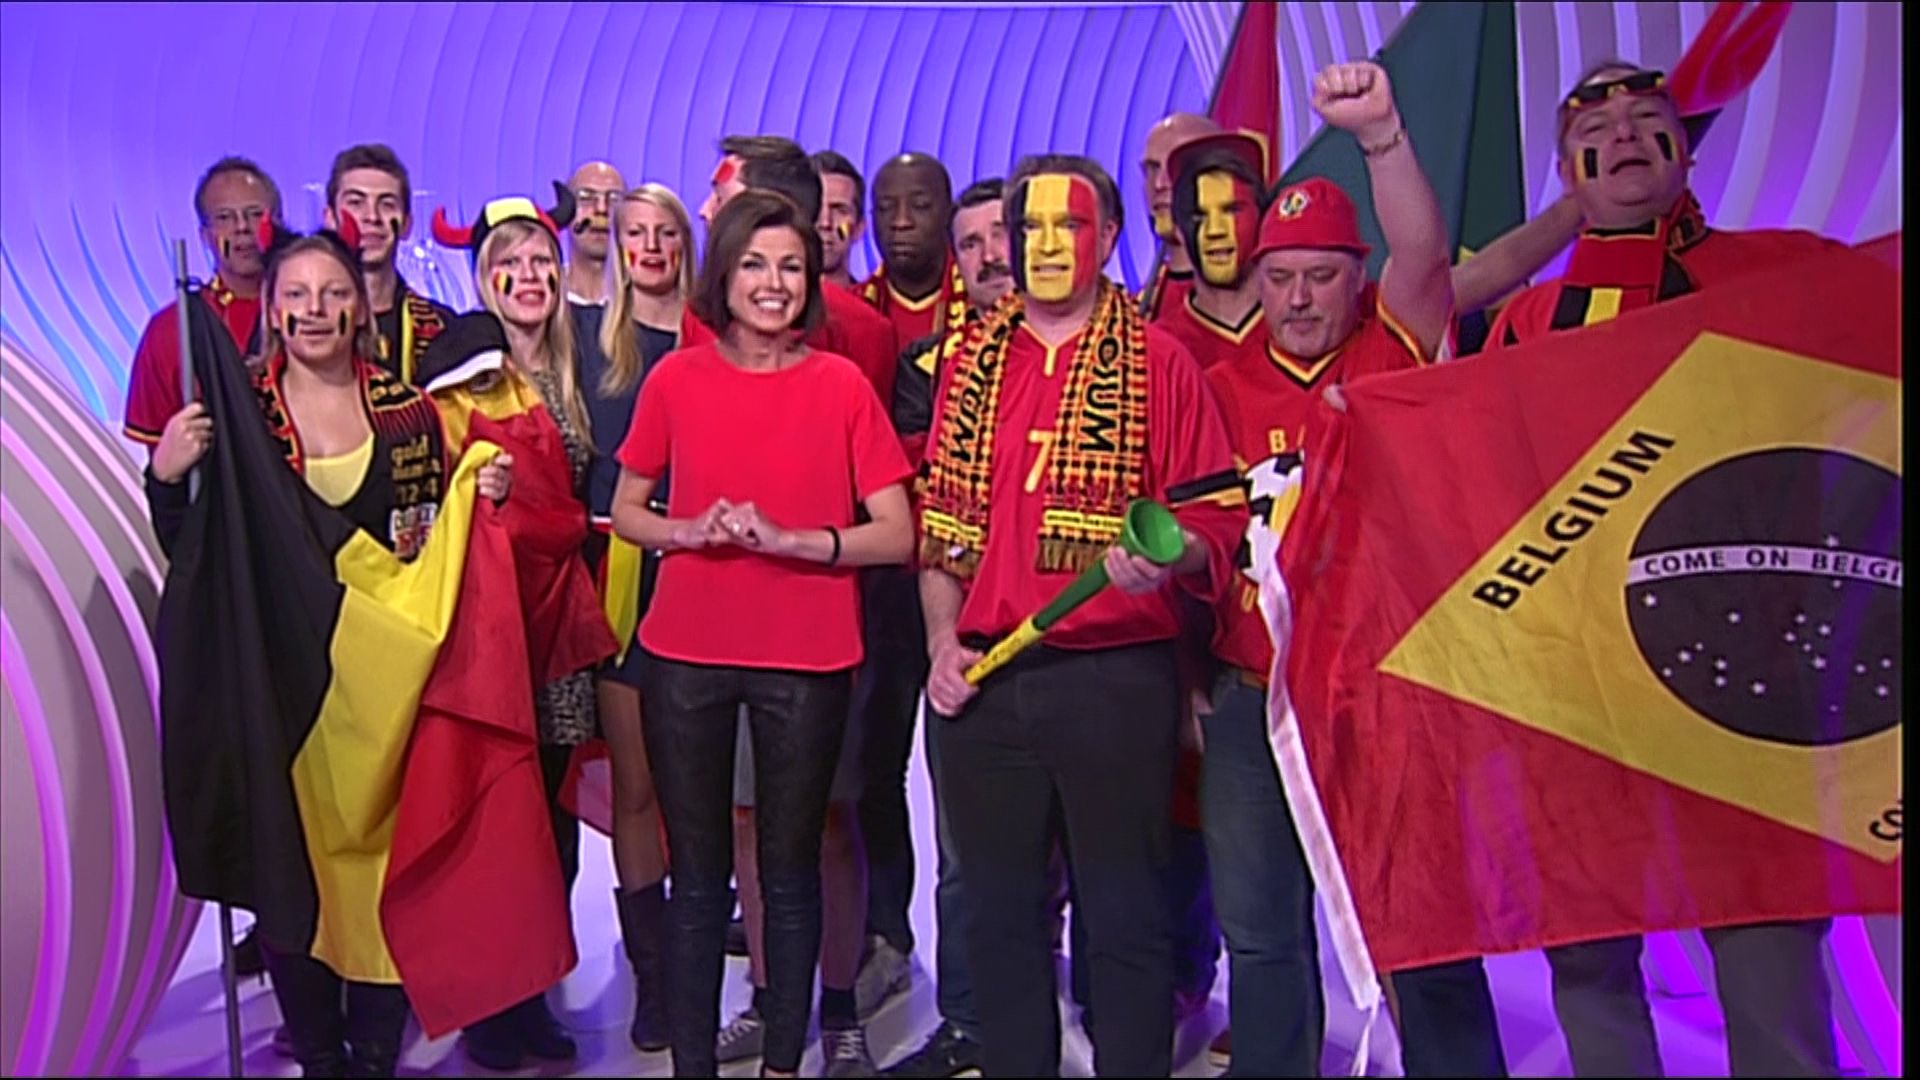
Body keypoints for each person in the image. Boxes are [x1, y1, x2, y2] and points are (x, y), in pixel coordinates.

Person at [1486, 59, 1845, 1080]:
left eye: (1650, 119)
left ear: (1685, 150)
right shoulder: (1527, 322)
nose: (1627, 137)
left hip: (1752, 668)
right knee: (1589, 949)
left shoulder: (1791, 270)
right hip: (1580, 679)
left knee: (1769, 943)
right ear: (1570, 175)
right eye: (1598, 131)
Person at [144, 221, 515, 1078]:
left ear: (360, 307)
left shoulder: (409, 411)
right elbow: (195, 551)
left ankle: (375, 1054)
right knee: (295, 872)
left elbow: (435, 546)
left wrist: (482, 489)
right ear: (272, 310)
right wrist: (165, 475)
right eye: (297, 295)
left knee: (384, 876)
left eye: (333, 292)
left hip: (387, 691)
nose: (315, 309)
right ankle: (318, 1053)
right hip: (285, 688)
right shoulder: (236, 417)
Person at [917, 153, 1244, 1077]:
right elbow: (942, 537)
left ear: (1109, 239)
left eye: (1072, 225)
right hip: (983, 679)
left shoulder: (1161, 361)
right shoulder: (969, 364)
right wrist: (941, 642)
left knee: (1125, 916)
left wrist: (1169, 556)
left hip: (1114, 681)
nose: (1050, 245)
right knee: (998, 916)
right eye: (1033, 227)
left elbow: (1216, 522)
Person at [1189, 59, 1460, 1076]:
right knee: (1260, 934)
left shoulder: (1393, 348)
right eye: (1280, 277)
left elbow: (1426, 256)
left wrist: (1381, 135)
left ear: (1359, 277)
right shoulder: (1217, 387)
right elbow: (1201, 539)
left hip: (1386, 695)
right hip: (1252, 696)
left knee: (1423, 926)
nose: (1298, 298)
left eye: (1321, 275)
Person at [610, 190, 914, 1079]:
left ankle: (785, 1062)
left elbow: (896, 533)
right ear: (725, 276)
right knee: (701, 878)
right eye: (754, 264)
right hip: (687, 653)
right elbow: (627, 511)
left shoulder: (841, 386)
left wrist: (796, 542)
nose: (774, 283)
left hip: (808, 656)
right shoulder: (676, 379)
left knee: (790, 870)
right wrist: (689, 530)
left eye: (791, 266)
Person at [699, 135, 902, 1074]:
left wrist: (806, 544)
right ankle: (770, 996)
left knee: (826, 818)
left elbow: (883, 502)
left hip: (828, 619)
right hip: (725, 623)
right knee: (747, 817)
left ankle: (841, 1002)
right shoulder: (697, 342)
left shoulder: (857, 338)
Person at [431, 186, 595, 1072]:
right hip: (492, 630)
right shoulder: (464, 370)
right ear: (482, 279)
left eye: (540, 261)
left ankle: (535, 991)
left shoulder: (583, 366)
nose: (528, 276)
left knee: (553, 825)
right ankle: (492, 1006)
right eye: (509, 265)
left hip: (561, 632)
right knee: (497, 817)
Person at [877, 177, 1010, 1080]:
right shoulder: (927, 368)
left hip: (1083, 645)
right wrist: (941, 639)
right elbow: (928, 509)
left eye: (1005, 235)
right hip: (962, 630)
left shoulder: (1117, 360)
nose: (991, 256)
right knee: (964, 855)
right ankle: (967, 1020)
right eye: (973, 244)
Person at [572, 180, 707, 1053]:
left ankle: (695, 963)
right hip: (621, 577)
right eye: (636, 234)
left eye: (666, 234)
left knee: (702, 792)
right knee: (637, 787)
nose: (651, 248)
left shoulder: (716, 338)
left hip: (703, 575)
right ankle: (653, 978)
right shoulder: (588, 342)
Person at [124, 155, 280, 450]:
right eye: (224, 218)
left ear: (278, 224)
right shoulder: (172, 328)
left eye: (255, 214)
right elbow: (162, 455)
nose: (242, 227)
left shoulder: (311, 315)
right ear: (205, 236)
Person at [321, 143, 454, 385]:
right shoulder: (305, 326)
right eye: (356, 203)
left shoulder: (444, 328)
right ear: (329, 218)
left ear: (406, 224)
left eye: (387, 204)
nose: (372, 217)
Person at [862, 153, 966, 345]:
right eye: (885, 208)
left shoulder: (985, 307)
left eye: (920, 206)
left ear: (950, 215)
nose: (901, 222)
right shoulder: (848, 312)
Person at [1135, 112, 1218, 320]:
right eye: (1152, 169)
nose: (1160, 184)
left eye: (1177, 168)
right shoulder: (1130, 314)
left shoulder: (1264, 297)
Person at [564, 160, 629, 304]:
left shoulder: (646, 301)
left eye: (614, 199)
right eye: (586, 198)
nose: (601, 209)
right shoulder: (545, 297)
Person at [814, 150, 867, 290]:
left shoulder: (873, 304)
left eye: (840, 210)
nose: (825, 223)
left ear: (859, 228)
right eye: (814, 207)